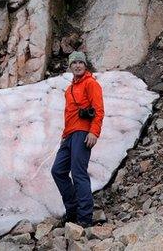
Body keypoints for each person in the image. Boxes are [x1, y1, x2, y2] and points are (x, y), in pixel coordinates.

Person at [50, 50, 104, 227]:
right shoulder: (70, 89)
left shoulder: (91, 84)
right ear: (70, 66)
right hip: (68, 135)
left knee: (79, 174)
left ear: (85, 65)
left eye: (80, 62)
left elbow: (99, 110)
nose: (77, 65)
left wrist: (94, 132)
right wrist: (65, 136)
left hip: (82, 133)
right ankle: (72, 210)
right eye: (74, 63)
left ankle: (85, 218)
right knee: (58, 171)